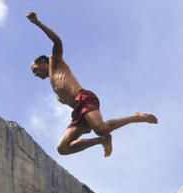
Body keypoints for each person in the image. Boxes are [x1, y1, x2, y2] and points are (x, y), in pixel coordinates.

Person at [27, 11, 157, 157]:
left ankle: (136, 117)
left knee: (100, 127)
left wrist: (37, 23)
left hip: (83, 98)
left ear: (43, 62)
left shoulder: (55, 62)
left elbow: (57, 41)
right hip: (78, 112)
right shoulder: (54, 86)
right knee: (62, 148)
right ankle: (101, 140)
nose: (35, 74)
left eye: (35, 70)